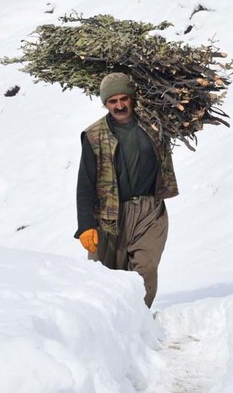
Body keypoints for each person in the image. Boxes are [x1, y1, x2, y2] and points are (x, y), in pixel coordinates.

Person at [75, 72, 178, 307]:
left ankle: (138, 320)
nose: (119, 105)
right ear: (105, 103)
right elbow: (85, 183)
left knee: (146, 267)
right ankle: (111, 328)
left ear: (132, 98)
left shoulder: (155, 125)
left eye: (124, 98)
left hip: (148, 210)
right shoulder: (93, 136)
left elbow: (182, 119)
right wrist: (86, 226)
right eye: (113, 101)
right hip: (109, 215)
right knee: (103, 276)